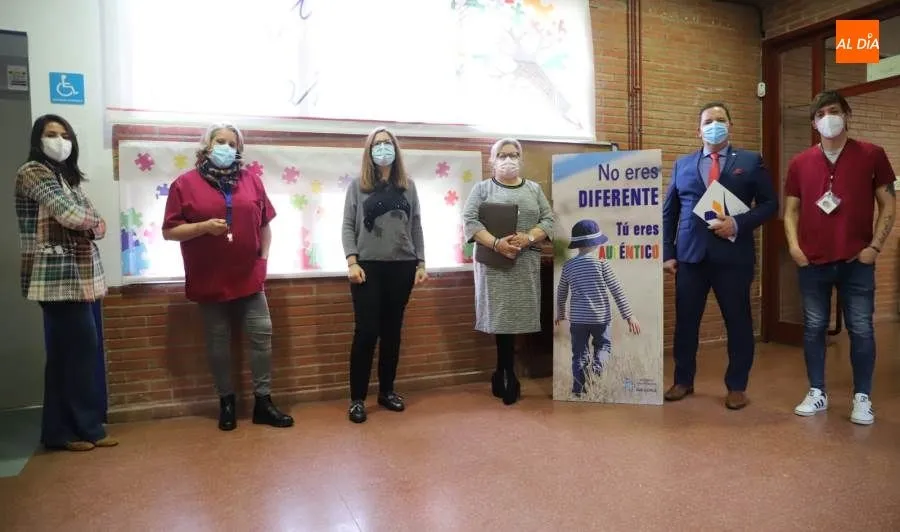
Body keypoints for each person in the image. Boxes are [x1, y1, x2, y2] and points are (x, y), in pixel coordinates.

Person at [162, 123, 293, 431]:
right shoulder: (185, 183)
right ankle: (227, 403)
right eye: (219, 141)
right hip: (209, 277)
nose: (226, 147)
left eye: (232, 143)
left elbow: (265, 225)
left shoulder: (252, 181)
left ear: (239, 150)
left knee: (262, 334)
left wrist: (263, 259)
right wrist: (203, 227)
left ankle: (263, 402)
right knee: (218, 343)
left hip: (249, 275)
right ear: (207, 145)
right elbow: (169, 231)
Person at [784, 91, 896, 426]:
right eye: (821, 113)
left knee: (861, 329)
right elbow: (790, 210)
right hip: (812, 262)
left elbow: (888, 204)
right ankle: (817, 391)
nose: (828, 118)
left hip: (856, 262)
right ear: (814, 122)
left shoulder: (872, 155)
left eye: (834, 111)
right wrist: (794, 247)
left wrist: (874, 247)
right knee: (814, 328)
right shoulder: (799, 162)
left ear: (847, 115)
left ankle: (862, 397)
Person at [661, 102, 777, 410]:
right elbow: (669, 213)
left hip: (733, 258)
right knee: (686, 323)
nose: (715, 125)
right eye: (709, 121)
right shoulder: (682, 164)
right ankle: (682, 381)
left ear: (730, 125)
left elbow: (769, 204)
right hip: (690, 258)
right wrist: (668, 254)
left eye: (721, 120)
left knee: (738, 322)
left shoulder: (751, 161)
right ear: (698, 130)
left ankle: (737, 386)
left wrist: (738, 223)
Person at [15, 114, 117, 451]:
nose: (59, 140)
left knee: (73, 353)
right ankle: (79, 429)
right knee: (74, 352)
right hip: (53, 276)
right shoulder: (33, 172)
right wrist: (88, 222)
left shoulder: (67, 178)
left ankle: (67, 431)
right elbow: (73, 215)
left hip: (80, 275)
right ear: (38, 139)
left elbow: (99, 225)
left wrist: (89, 222)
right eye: (51, 134)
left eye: (64, 134)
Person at [341, 127, 428, 424]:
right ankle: (357, 399)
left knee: (392, 333)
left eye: (387, 143)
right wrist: (352, 261)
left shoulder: (409, 187)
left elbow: (416, 225)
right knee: (366, 333)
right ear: (369, 151)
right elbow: (347, 226)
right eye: (376, 144)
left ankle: (387, 391)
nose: (382, 149)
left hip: (402, 267)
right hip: (367, 268)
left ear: (395, 149)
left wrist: (421, 263)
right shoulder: (357, 186)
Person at [462, 138, 554, 405]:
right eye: (501, 155)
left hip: (524, 264)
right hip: (494, 265)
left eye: (514, 155)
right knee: (500, 319)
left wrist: (528, 238)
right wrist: (496, 243)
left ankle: (506, 372)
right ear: (491, 160)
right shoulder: (481, 189)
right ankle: (504, 372)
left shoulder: (534, 190)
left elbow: (548, 219)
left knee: (518, 319)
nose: (508, 160)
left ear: (521, 159)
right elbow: (469, 220)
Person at [555, 220, 641, 397]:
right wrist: (629, 316)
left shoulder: (568, 266)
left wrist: (560, 313)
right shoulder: (602, 263)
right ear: (596, 243)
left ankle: (578, 390)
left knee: (579, 354)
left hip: (578, 320)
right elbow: (617, 291)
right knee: (603, 347)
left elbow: (561, 292)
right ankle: (596, 370)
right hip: (600, 318)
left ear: (577, 244)